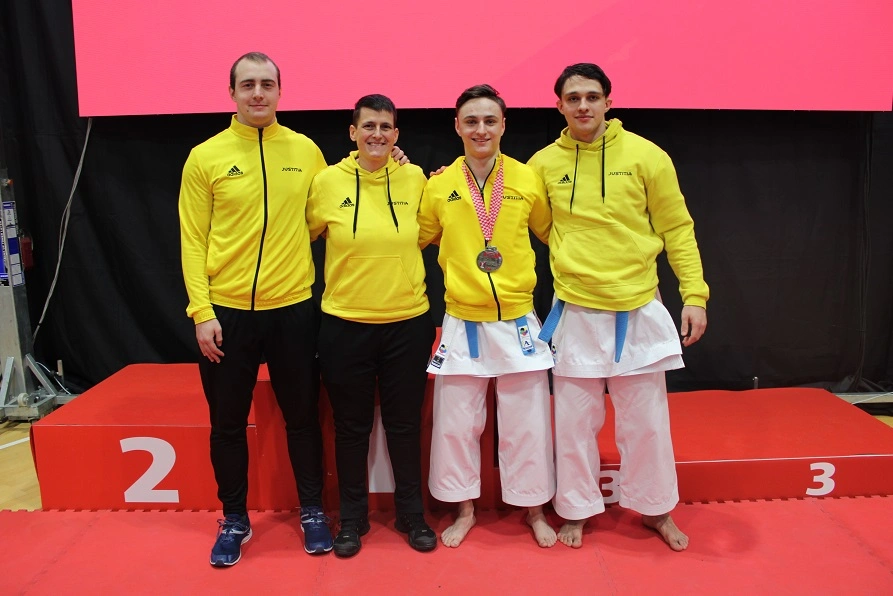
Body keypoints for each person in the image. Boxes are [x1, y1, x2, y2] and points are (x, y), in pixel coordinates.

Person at [528, 63, 709, 551]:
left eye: (592, 96)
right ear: (559, 106)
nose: (583, 105)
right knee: (573, 424)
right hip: (575, 309)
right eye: (573, 98)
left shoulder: (647, 155)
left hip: (638, 305)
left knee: (646, 424)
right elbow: (529, 217)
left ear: (609, 101)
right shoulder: (542, 164)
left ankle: (656, 510)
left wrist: (694, 294)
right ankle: (576, 511)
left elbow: (677, 228)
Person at [179, 52, 334, 567]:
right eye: (248, 85)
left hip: (293, 309)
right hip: (227, 313)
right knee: (227, 424)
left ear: (280, 91)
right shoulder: (205, 156)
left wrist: (393, 164)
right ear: (232, 93)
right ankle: (234, 519)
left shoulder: (306, 151)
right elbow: (192, 239)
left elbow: (325, 214)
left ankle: (312, 510)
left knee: (303, 418)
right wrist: (201, 311)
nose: (258, 93)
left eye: (267, 84)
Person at [418, 84, 556, 548]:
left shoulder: (526, 178)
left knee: (527, 424)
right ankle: (464, 510)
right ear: (457, 126)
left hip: (517, 318)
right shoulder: (438, 186)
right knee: (456, 426)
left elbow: (553, 234)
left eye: (490, 121)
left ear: (503, 126)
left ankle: (534, 509)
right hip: (463, 318)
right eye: (472, 121)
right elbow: (416, 237)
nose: (481, 130)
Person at [306, 94, 437, 557]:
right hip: (345, 323)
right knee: (350, 428)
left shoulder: (415, 178)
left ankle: (411, 515)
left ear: (396, 134)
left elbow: (430, 232)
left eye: (385, 127)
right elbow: (303, 234)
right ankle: (352, 519)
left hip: (408, 322)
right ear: (353, 132)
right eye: (368, 126)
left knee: (404, 426)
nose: (377, 134)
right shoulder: (326, 182)